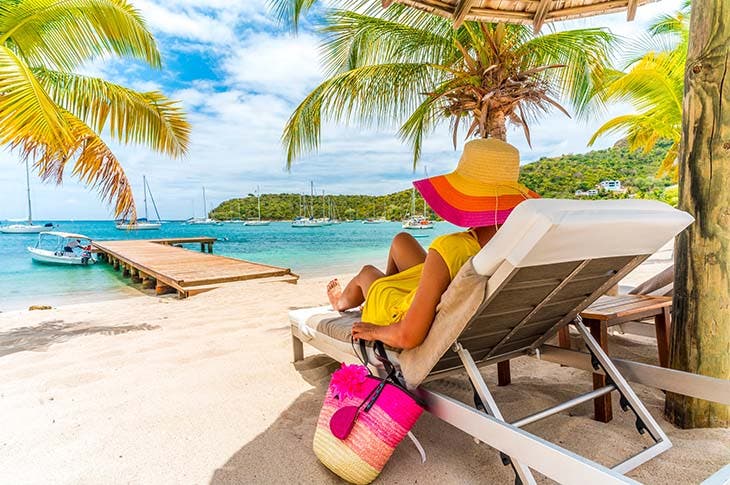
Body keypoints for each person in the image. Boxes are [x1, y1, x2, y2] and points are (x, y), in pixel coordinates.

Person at [326, 138, 539, 350]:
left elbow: (407, 336)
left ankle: (341, 303)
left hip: (403, 315)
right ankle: (390, 283)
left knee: (367, 272)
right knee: (402, 240)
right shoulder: (519, 240)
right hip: (443, 285)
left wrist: (373, 330)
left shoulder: (448, 247)